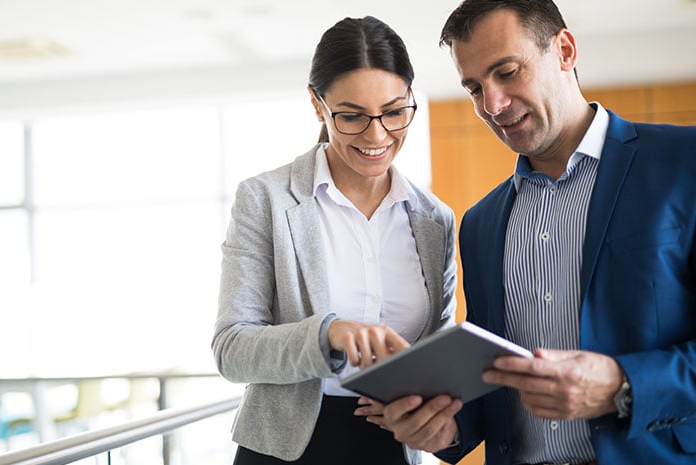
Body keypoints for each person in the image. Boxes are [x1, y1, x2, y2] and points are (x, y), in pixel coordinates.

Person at [375, 1, 696, 464]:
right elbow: (493, 387)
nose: (492, 105)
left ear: (564, 50)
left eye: (506, 72)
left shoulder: (683, 164)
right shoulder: (481, 224)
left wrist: (624, 385)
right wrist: (445, 430)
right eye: (474, 88)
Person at [211, 15, 457, 465]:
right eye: (351, 116)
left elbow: (433, 352)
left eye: (394, 112)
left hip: (391, 448)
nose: (377, 135)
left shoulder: (435, 220)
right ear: (317, 104)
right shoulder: (266, 199)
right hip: (283, 451)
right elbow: (232, 348)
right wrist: (329, 336)